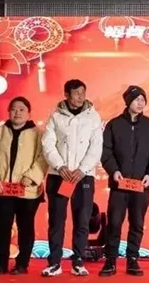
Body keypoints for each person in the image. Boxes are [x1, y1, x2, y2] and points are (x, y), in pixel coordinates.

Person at [41, 79, 103, 278]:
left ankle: (78, 261)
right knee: (56, 221)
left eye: (83, 92)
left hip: (83, 177)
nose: (80, 96)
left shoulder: (93, 117)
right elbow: (48, 144)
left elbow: (96, 146)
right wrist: (60, 166)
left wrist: (83, 169)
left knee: (82, 220)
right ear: (66, 95)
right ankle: (54, 262)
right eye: (76, 93)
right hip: (59, 175)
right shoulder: (55, 116)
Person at [0, 96, 48, 275]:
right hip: (3, 189)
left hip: (28, 190)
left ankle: (22, 264)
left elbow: (44, 158)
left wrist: (31, 176)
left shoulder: (38, 134)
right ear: (8, 112)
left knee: (25, 227)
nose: (17, 112)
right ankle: (0, 264)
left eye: (21, 109)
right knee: (3, 226)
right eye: (14, 109)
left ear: (29, 113)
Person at [99, 85, 149, 277]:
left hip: (142, 185)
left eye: (143, 100)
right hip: (119, 184)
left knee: (137, 223)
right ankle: (110, 260)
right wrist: (114, 171)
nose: (140, 103)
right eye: (136, 99)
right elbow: (106, 151)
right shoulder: (114, 125)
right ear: (128, 102)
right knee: (114, 222)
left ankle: (132, 259)